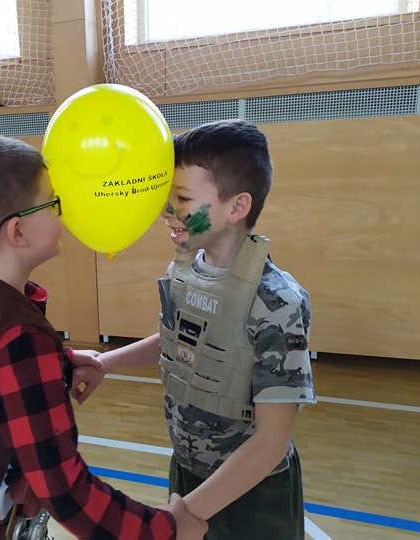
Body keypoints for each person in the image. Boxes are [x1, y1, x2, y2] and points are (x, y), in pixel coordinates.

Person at [0, 133, 207, 540]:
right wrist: (166, 530)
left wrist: (59, 365)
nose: (63, 210)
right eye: (52, 202)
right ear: (18, 232)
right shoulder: (18, 336)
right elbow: (65, 491)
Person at [72, 120, 317, 540]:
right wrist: (105, 362)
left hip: (254, 493)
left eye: (182, 198)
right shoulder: (185, 269)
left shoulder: (276, 303)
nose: (166, 212)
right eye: (167, 198)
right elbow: (179, 341)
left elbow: (271, 442)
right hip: (189, 472)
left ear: (237, 207)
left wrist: (187, 514)